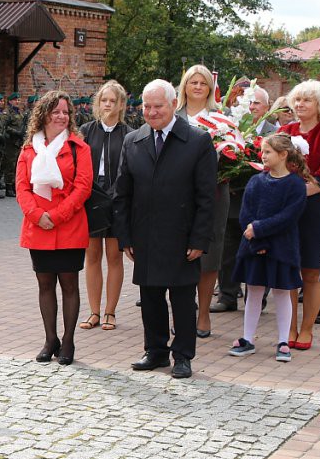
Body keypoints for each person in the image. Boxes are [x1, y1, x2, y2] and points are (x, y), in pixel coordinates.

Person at [113, 79, 216, 379]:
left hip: (182, 237)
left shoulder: (197, 141)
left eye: (158, 106)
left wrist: (200, 238)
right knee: (151, 297)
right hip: (144, 236)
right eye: (146, 106)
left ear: (173, 105)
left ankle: (183, 355)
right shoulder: (133, 141)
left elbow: (207, 197)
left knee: (183, 300)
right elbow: (122, 194)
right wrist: (125, 237)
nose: (152, 112)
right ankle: (155, 350)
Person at [17, 90, 93, 365]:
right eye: (56, 111)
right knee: (45, 283)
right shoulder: (28, 149)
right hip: (38, 226)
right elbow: (22, 187)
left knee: (69, 284)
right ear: (44, 114)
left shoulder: (79, 147)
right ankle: (50, 339)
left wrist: (57, 215)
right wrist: (37, 215)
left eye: (66, 112)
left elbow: (83, 187)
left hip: (69, 224)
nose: (62, 116)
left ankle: (69, 340)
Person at [228, 133, 310, 363]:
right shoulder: (256, 181)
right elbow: (246, 214)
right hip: (255, 246)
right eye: (262, 152)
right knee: (253, 290)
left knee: (282, 292)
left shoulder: (295, 185)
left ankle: (283, 340)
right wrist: (257, 240)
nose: (262, 156)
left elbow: (288, 217)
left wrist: (260, 231)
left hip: (281, 248)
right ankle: (247, 338)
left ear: (283, 155)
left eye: (268, 152)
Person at [278, 80, 320, 350]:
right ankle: (289, 327)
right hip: (287, 210)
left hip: (316, 208)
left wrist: (300, 191)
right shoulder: (285, 130)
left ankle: (307, 329)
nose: (300, 105)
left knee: (312, 271)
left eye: (307, 100)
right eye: (297, 100)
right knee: (289, 269)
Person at [175, 64, 226, 338]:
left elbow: (234, 153)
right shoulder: (174, 116)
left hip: (215, 193)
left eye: (202, 83)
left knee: (209, 253)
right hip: (179, 195)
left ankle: (203, 313)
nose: (197, 87)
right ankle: (182, 312)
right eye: (192, 82)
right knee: (179, 253)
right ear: (184, 86)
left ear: (210, 88)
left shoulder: (221, 118)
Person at [78, 80, 131, 332]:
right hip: (91, 198)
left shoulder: (129, 134)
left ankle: (110, 311)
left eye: (112, 101)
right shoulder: (86, 130)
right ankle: (94, 311)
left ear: (121, 104)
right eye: (103, 100)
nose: (108, 105)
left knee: (114, 255)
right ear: (97, 103)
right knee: (92, 255)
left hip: (117, 199)